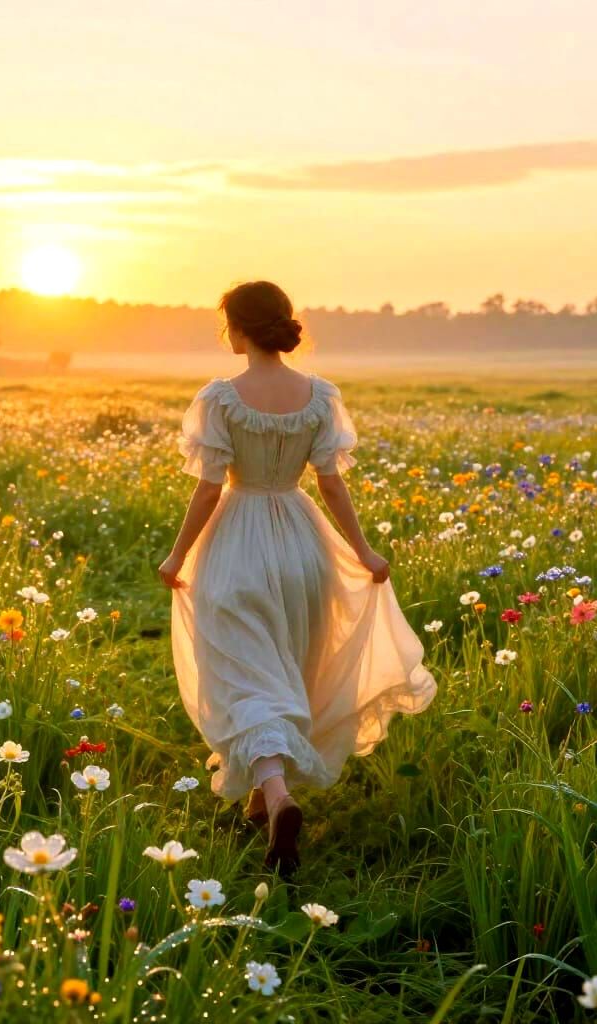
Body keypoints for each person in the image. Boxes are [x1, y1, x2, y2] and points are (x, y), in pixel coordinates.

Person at [158, 280, 437, 876]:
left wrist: (177, 556)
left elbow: (208, 489)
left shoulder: (221, 398)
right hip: (303, 544)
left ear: (238, 328)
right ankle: (262, 803)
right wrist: (363, 551)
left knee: (242, 677)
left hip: (238, 543)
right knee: (290, 664)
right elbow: (331, 483)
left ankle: (278, 795)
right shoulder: (319, 395)